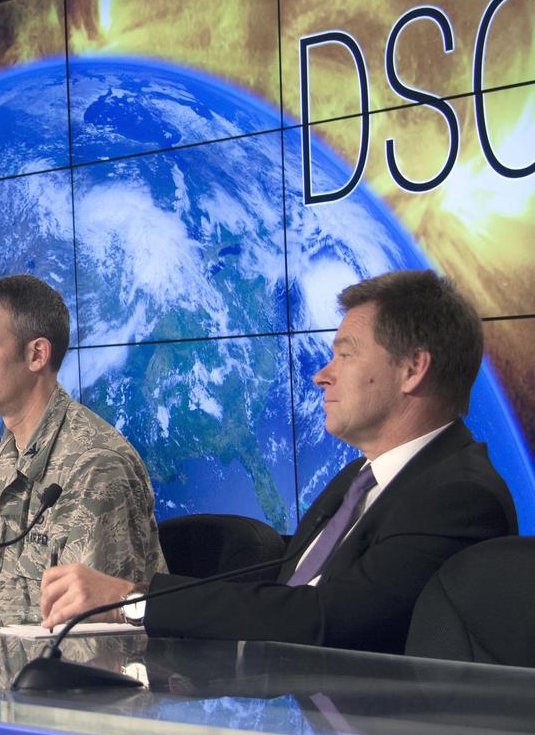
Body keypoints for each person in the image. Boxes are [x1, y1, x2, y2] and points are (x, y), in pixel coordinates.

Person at [40, 270, 518, 654]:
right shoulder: (359, 477)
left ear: (413, 369)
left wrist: (131, 601)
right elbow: (281, 588)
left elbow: (326, 618)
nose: (321, 374)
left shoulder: (458, 497)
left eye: (345, 355)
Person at [0, 274, 165, 610]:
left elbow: (95, 628)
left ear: (37, 354)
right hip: (17, 663)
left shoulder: (96, 465)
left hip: (79, 662)